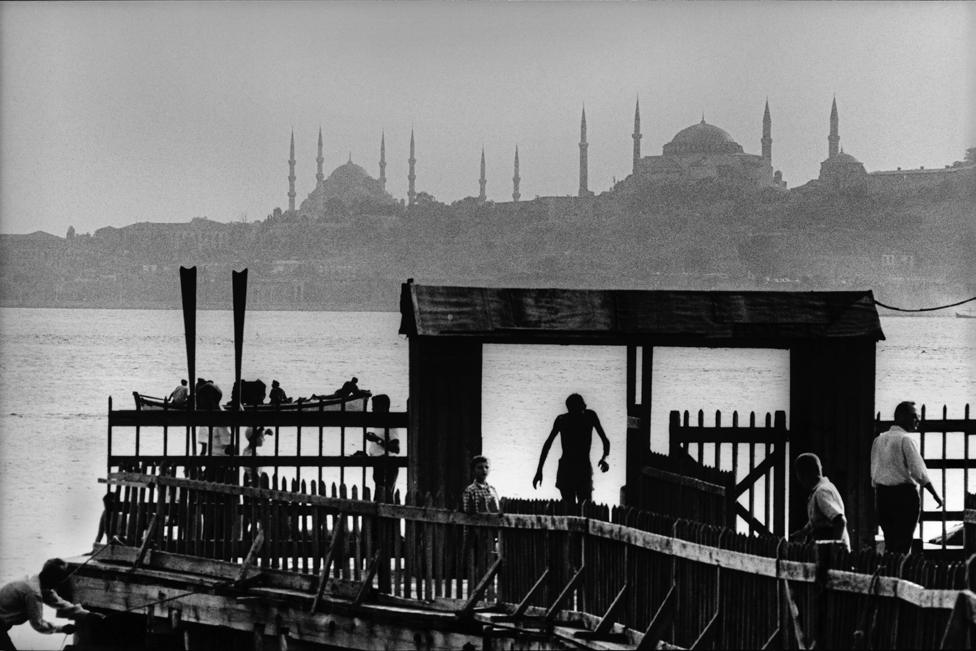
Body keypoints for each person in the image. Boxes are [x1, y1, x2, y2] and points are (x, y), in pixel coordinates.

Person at [871, 401, 943, 555]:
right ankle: (901, 573)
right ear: (901, 417)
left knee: (890, 543)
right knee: (903, 544)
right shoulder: (906, 440)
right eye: (914, 416)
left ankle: (890, 572)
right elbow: (919, 472)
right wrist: (935, 495)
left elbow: (874, 471)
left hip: (883, 496)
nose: (917, 420)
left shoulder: (879, 439)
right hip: (904, 498)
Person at [0, 558, 103, 650]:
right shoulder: (33, 593)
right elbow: (38, 624)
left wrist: (87, 615)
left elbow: (60, 603)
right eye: (58, 581)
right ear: (51, 580)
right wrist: (62, 629)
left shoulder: (37, 582)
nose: (58, 585)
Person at [532, 394, 610, 506]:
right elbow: (547, 445)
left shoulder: (589, 416)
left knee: (585, 506)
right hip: (567, 470)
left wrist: (605, 458)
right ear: (572, 409)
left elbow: (605, 441)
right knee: (570, 507)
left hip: (581, 469)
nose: (584, 408)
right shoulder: (563, 420)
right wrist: (539, 470)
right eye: (581, 407)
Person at [789, 453, 850, 552]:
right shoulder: (820, 490)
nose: (799, 480)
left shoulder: (821, 492)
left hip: (833, 554)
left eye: (800, 474)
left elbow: (840, 521)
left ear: (806, 473)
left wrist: (834, 548)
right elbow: (818, 519)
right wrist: (804, 531)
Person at [363, 394, 402, 500]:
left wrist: (376, 439)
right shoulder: (381, 423)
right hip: (380, 464)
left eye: (375, 407)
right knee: (381, 497)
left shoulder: (390, 424)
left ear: (383, 407)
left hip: (387, 466)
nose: (372, 410)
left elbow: (395, 448)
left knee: (384, 497)